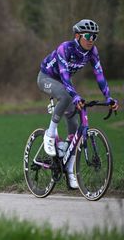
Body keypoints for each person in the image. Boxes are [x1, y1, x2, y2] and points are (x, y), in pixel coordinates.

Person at [37, 19, 119, 189]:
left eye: (94, 36)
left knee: (74, 128)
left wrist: (109, 97)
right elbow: (65, 76)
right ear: (77, 36)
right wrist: (75, 95)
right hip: (47, 78)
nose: (91, 39)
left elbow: (100, 75)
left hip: (64, 83)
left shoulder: (92, 52)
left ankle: (69, 169)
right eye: (88, 35)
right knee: (67, 97)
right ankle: (49, 134)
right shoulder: (65, 48)